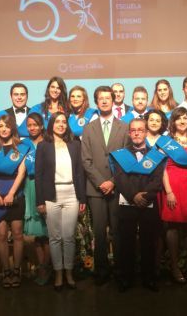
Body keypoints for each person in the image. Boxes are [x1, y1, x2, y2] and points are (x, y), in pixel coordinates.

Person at [81, 86, 130, 285]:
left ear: (114, 100)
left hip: (117, 188)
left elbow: (127, 158)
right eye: (100, 98)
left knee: (118, 232)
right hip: (95, 189)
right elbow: (86, 161)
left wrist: (113, 181)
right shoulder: (89, 128)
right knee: (99, 233)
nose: (104, 101)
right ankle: (101, 271)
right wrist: (101, 182)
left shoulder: (124, 127)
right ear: (96, 102)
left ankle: (120, 271)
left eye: (107, 98)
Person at [111, 118, 166, 292]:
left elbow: (157, 180)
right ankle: (126, 278)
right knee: (126, 243)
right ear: (129, 133)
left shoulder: (155, 155)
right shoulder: (120, 154)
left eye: (140, 130)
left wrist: (145, 196)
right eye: (133, 130)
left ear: (146, 133)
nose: (136, 133)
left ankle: (148, 278)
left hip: (148, 204)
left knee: (148, 242)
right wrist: (133, 195)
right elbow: (119, 178)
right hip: (127, 204)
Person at [35, 112, 86, 291]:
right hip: (51, 195)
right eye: (57, 122)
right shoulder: (43, 146)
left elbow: (80, 172)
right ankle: (58, 273)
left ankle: (69, 272)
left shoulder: (75, 144)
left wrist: (82, 197)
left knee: (69, 237)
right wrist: (40, 200)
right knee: (55, 238)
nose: (61, 124)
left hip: (72, 193)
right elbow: (39, 175)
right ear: (51, 124)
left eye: (64, 122)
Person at [0, 115, 29, 288]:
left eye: (7, 126)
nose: (4, 129)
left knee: (18, 233)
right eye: (1, 126)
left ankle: (17, 269)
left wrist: (12, 193)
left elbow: (21, 173)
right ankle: (6, 270)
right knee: (2, 234)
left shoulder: (22, 147)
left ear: (13, 128)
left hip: (15, 192)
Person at [158, 108, 187, 283]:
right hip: (172, 188)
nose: (182, 121)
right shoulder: (167, 142)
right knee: (172, 228)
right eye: (178, 119)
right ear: (172, 122)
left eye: (185, 118)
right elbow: (162, 169)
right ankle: (174, 267)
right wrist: (169, 192)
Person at [20, 113, 51, 285]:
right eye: (29, 125)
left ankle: (47, 267)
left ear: (41, 126)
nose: (32, 128)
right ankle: (41, 266)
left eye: (35, 125)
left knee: (47, 232)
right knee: (37, 234)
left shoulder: (48, 143)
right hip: (28, 187)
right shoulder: (23, 144)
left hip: (44, 188)